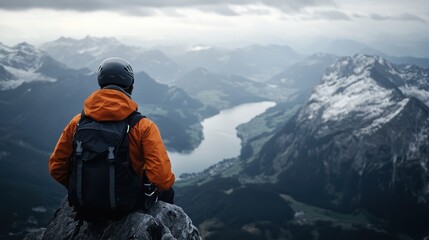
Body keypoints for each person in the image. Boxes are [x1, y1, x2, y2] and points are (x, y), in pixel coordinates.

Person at [48, 57, 175, 212]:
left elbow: (56, 167)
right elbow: (161, 178)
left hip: (84, 205)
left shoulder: (77, 123)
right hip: (126, 206)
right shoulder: (143, 127)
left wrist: (81, 186)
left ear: (101, 85)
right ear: (131, 87)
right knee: (168, 192)